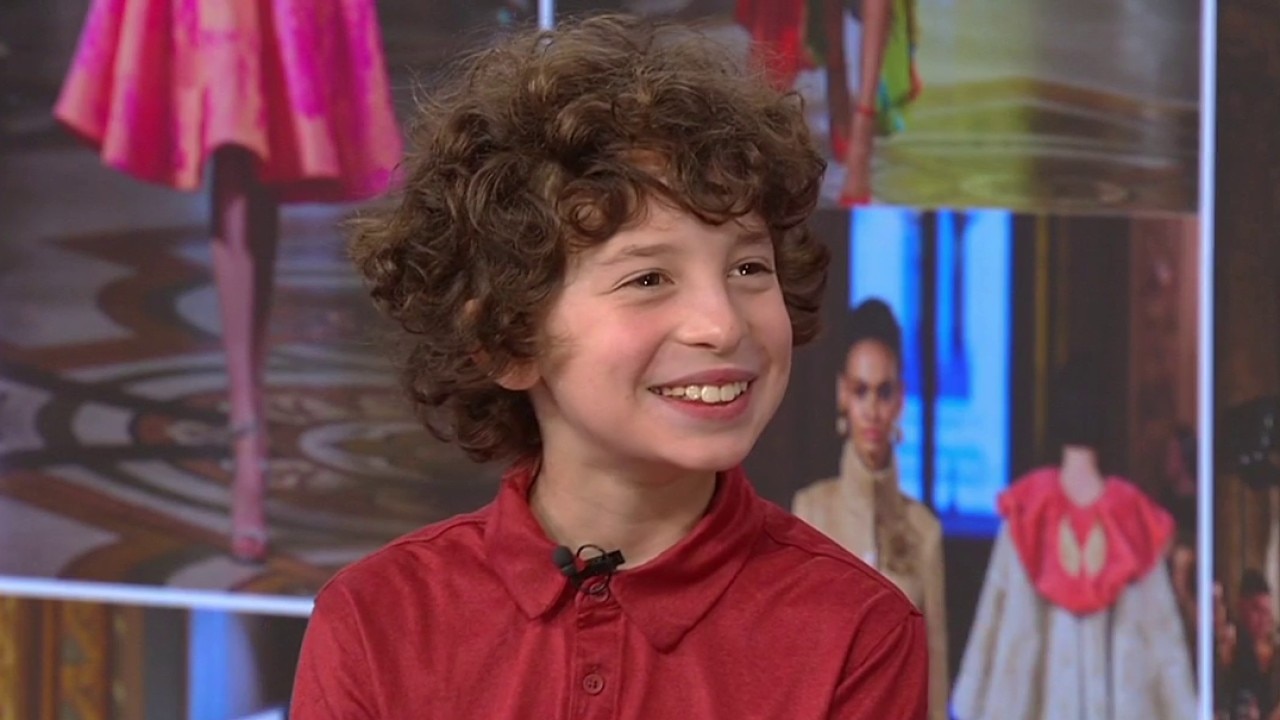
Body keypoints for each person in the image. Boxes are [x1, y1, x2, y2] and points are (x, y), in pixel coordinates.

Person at [290, 15, 927, 719]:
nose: (721, 324)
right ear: (506, 339)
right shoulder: (375, 621)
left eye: (749, 267)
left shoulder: (857, 632)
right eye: (648, 279)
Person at [951, 357, 1196, 719]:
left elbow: (990, 624)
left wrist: (967, 703)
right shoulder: (1133, 520)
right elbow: (1165, 645)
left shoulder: (1027, 513)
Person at [791, 299, 949, 719]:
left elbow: (934, 669)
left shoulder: (924, 530)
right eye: (861, 390)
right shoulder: (811, 512)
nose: (872, 410)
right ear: (842, 394)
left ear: (901, 399)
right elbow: (796, 658)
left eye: (884, 391)